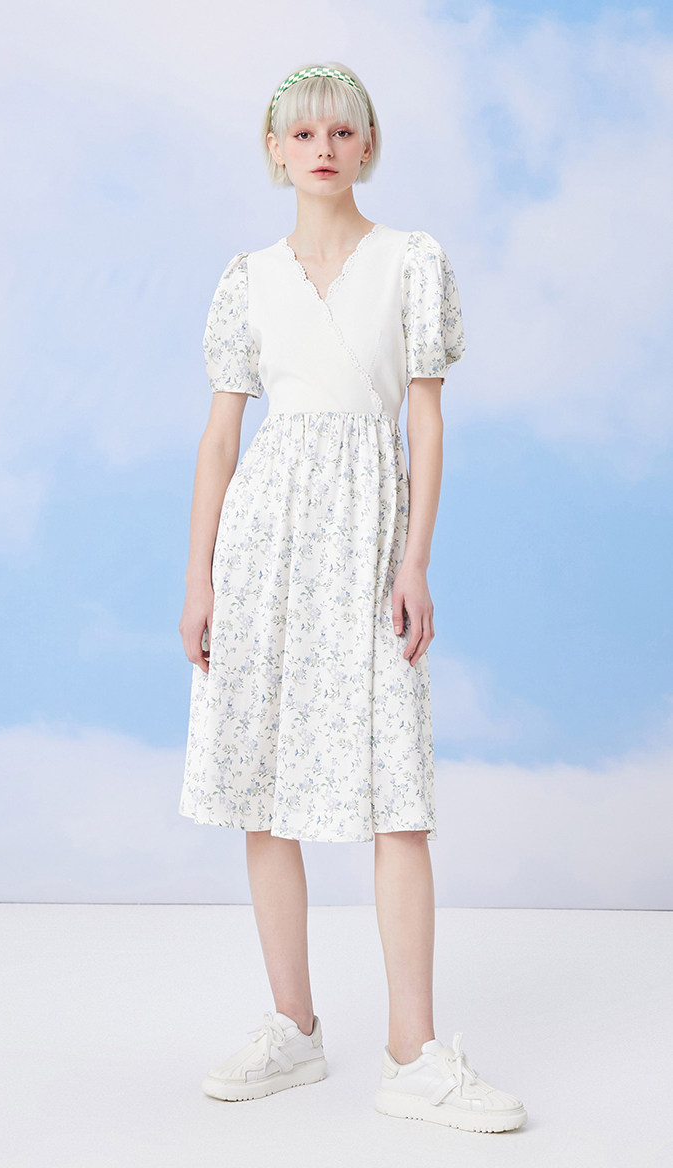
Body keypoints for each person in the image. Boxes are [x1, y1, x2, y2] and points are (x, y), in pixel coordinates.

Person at [178, 61, 527, 1134]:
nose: (322, 148)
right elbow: (222, 439)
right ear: (275, 150)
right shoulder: (247, 278)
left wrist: (414, 561)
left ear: (367, 145)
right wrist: (198, 577)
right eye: (302, 133)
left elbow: (424, 420)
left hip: (369, 536)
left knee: (396, 795)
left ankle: (413, 1052)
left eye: (341, 131)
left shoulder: (411, 263)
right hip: (264, 543)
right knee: (261, 785)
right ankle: (294, 1026)